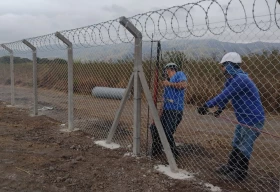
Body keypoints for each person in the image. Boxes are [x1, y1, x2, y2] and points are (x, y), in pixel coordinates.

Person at [197, 52, 265, 181]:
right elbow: (225, 95)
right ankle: (231, 166)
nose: (221, 68)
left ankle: (240, 173)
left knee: (245, 145)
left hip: (253, 119)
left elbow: (225, 95)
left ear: (229, 65)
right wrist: (219, 109)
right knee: (236, 143)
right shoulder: (231, 79)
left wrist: (207, 105)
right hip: (244, 119)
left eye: (223, 66)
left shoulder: (241, 79)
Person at [150, 62, 187, 159]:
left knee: (167, 132)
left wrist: (169, 84)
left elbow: (183, 85)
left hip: (175, 111)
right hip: (166, 111)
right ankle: (157, 149)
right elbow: (164, 101)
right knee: (154, 127)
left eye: (166, 70)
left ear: (170, 69)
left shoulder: (179, 74)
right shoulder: (167, 82)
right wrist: (158, 116)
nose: (165, 72)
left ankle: (173, 154)